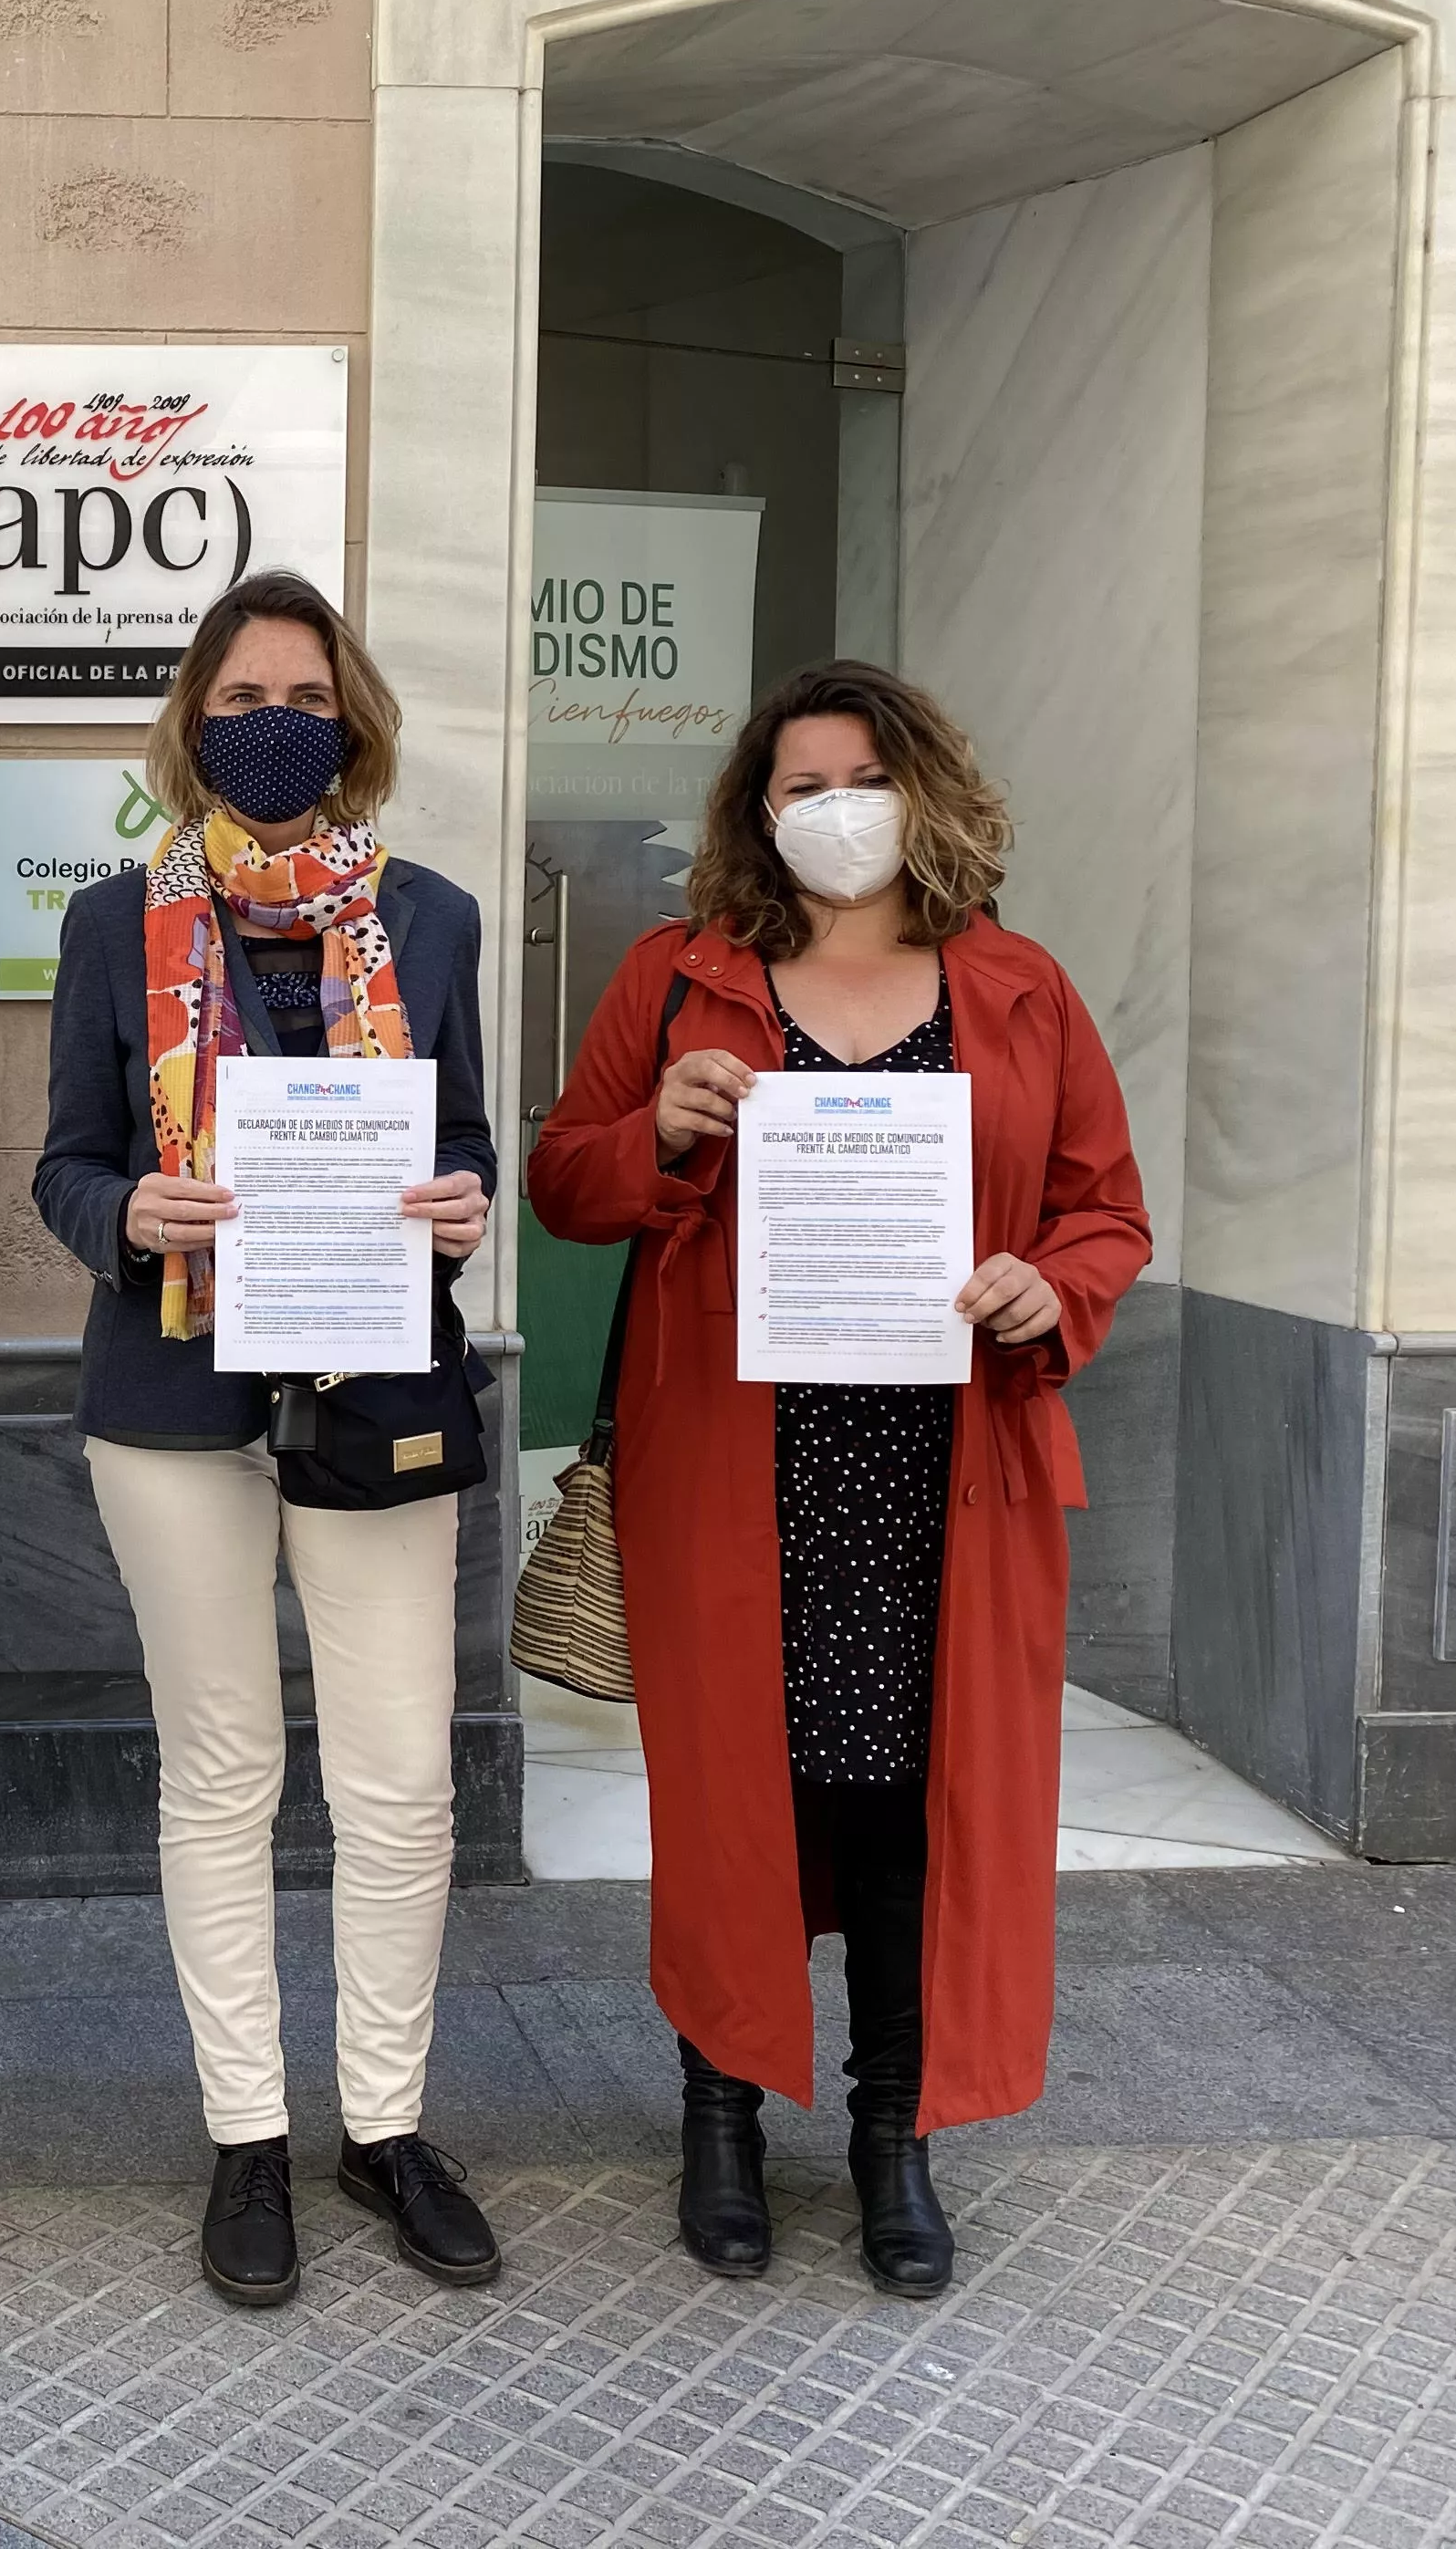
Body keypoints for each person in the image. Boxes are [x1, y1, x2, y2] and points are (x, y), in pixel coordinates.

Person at [527, 660, 1149, 2299]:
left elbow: (1108, 1212)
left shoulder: (1020, 989)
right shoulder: (679, 978)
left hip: (945, 1470)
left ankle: (893, 2135)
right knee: (740, 1801)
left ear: (925, 791)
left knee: (907, 1806)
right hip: (740, 1470)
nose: (832, 809)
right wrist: (655, 1129)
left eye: (859, 776)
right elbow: (561, 1183)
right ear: (758, 813)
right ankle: (719, 2116)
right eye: (799, 786)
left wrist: (1050, 1288)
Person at [30, 569, 502, 2310]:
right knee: (221, 1773)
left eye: (302, 688)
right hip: (176, 1409)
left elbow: (461, 1145)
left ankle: (383, 2125)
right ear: (194, 720)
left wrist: (464, 1204)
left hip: (377, 1391)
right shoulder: (112, 927)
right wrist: (128, 1211)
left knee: (397, 1783)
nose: (271, 718)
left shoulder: (435, 920)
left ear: (353, 713)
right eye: (239, 695)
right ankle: (247, 2134)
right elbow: (65, 1163)